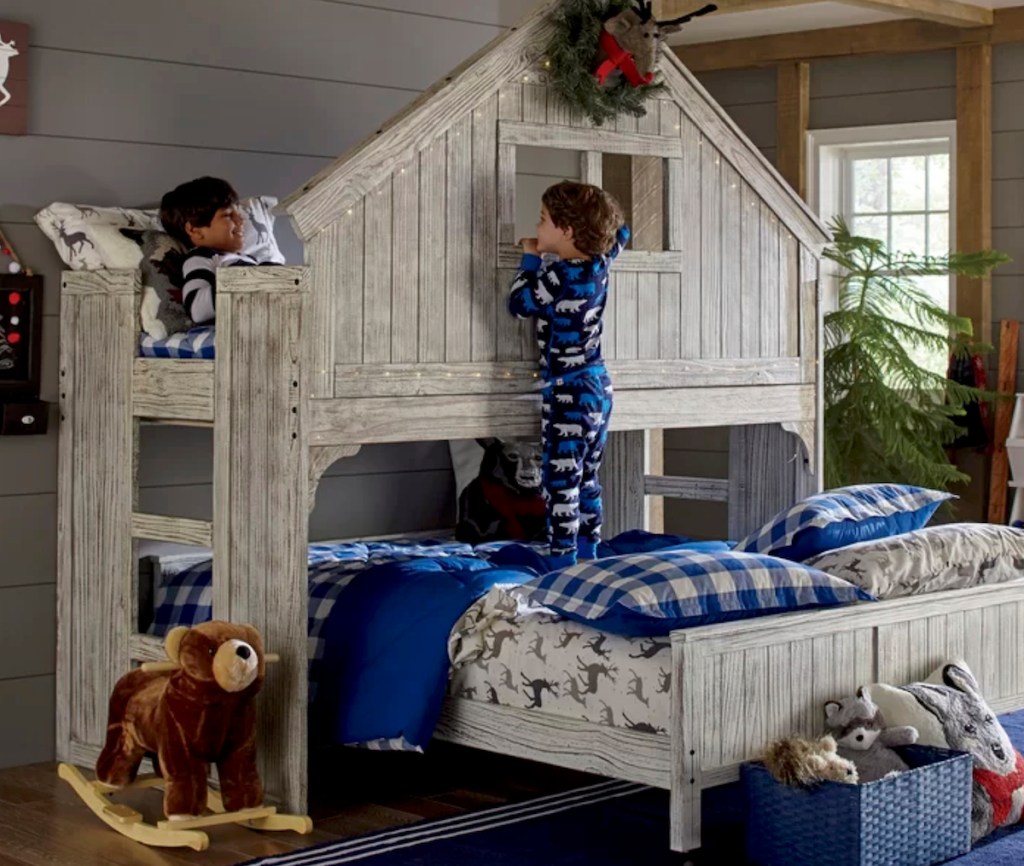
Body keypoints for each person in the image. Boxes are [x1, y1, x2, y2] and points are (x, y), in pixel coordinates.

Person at [508, 181, 629, 568]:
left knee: (560, 482)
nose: (537, 228)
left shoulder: (560, 277)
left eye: (543, 221)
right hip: (598, 386)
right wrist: (601, 217)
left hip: (568, 392)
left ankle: (562, 561)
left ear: (567, 230)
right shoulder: (601, 261)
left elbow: (520, 303)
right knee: (588, 476)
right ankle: (590, 553)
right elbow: (621, 233)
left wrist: (529, 258)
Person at [159, 177, 263, 325]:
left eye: (238, 212)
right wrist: (247, 278)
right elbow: (197, 309)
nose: (241, 220)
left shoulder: (249, 259)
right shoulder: (202, 257)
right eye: (227, 215)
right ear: (195, 230)